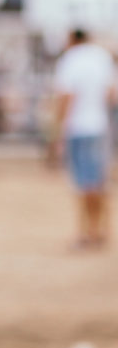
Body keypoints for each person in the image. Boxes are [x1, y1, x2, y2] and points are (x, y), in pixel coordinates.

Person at [51, 28, 116, 250]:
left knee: (82, 183)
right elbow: (111, 94)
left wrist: (57, 130)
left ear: (72, 39)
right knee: (98, 180)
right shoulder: (102, 57)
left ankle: (86, 232)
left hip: (79, 127)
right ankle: (103, 229)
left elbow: (66, 97)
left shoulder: (70, 60)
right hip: (99, 125)